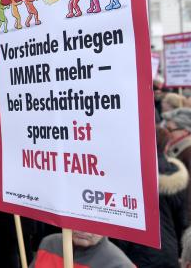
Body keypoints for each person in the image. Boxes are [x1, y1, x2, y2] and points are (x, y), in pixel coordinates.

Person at [116, 127, 188, 268]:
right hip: (168, 250)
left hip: (135, 251)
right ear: (166, 145)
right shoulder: (176, 175)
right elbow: (182, 221)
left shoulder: (128, 171)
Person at [30, 231, 134, 267]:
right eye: (77, 219)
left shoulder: (120, 265)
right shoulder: (49, 243)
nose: (83, 230)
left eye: (93, 222)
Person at [163, 108, 191, 219]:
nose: (166, 132)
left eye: (170, 129)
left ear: (185, 130)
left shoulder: (188, 151)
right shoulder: (176, 147)